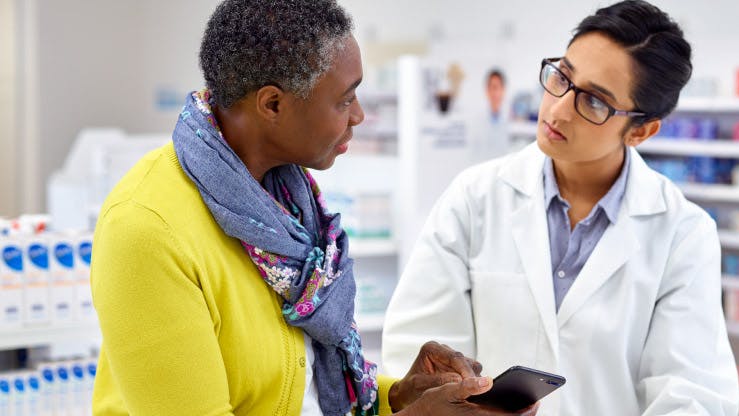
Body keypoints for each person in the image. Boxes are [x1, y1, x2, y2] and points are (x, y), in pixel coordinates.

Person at [89, 1, 537, 415]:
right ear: (273, 104)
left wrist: (399, 396)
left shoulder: (288, 200)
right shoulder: (147, 230)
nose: (358, 115)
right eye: (344, 99)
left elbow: (297, 389)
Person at [381, 1, 739, 415]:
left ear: (641, 130)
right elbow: (419, 353)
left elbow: (693, 395)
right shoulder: (475, 198)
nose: (558, 109)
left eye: (594, 102)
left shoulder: (682, 233)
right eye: (562, 77)